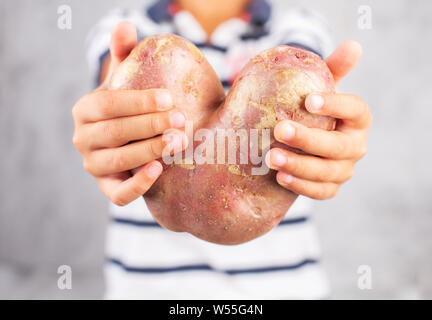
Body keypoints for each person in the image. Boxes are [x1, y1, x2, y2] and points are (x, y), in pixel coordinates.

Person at [72, 0, 372, 299]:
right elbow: (114, 80)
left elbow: (300, 77)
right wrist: (105, 127)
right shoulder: (124, 28)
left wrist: (333, 139)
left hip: (280, 290)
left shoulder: (299, 27)